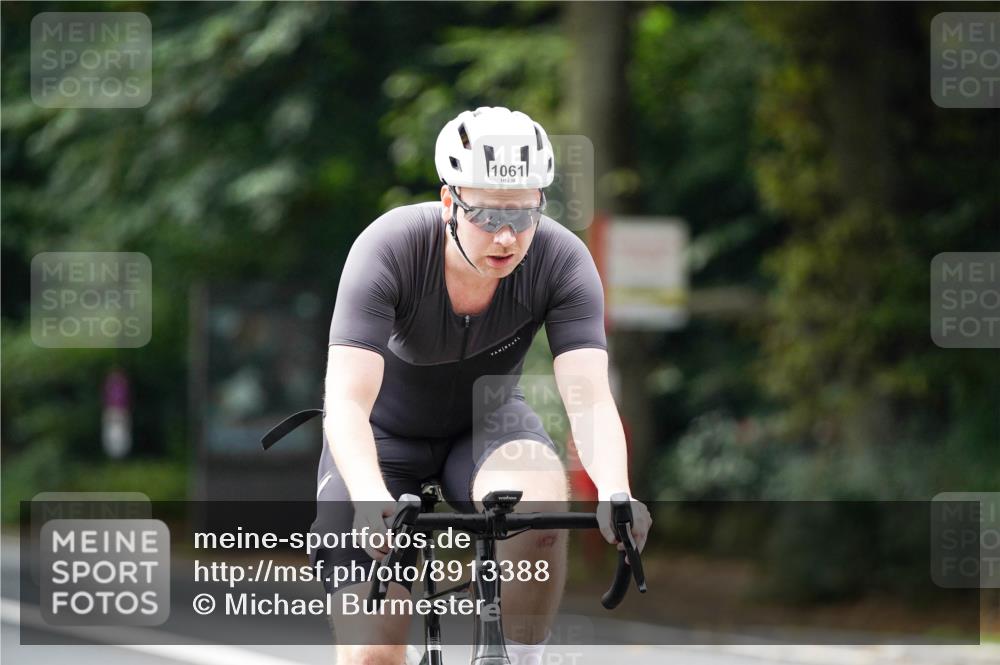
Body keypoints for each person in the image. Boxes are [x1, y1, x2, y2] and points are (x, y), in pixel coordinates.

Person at [310, 106, 651, 665]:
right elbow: (346, 401)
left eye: (525, 214)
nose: (509, 236)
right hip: (380, 439)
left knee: (540, 505)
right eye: (488, 215)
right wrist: (370, 499)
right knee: (373, 650)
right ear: (449, 202)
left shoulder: (562, 259)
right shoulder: (389, 248)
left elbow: (588, 398)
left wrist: (615, 488)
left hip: (487, 423)